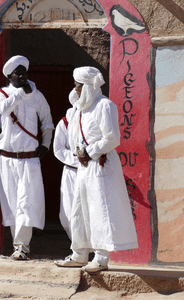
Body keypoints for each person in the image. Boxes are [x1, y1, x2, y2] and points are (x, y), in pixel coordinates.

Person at [55, 67, 138, 272]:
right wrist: (79, 154)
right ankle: (79, 254)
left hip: (101, 166)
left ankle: (101, 258)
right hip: (83, 168)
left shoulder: (105, 105)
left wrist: (89, 151)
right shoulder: (80, 110)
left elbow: (112, 138)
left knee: (100, 210)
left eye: (78, 85)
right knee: (79, 210)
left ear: (88, 86)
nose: (75, 88)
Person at [0, 55, 54, 259]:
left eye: (24, 73)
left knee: (26, 202)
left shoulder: (37, 96)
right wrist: (20, 94)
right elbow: (3, 109)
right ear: (9, 76)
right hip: (7, 159)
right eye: (17, 73)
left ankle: (22, 247)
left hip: (29, 159)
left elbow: (47, 123)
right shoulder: (1, 93)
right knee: (11, 202)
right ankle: (16, 245)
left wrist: (46, 144)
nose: (22, 76)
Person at [53, 95, 79, 241]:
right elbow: (58, 149)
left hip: (90, 171)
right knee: (68, 213)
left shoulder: (94, 120)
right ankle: (77, 246)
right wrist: (78, 160)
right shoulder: (65, 123)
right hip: (71, 171)